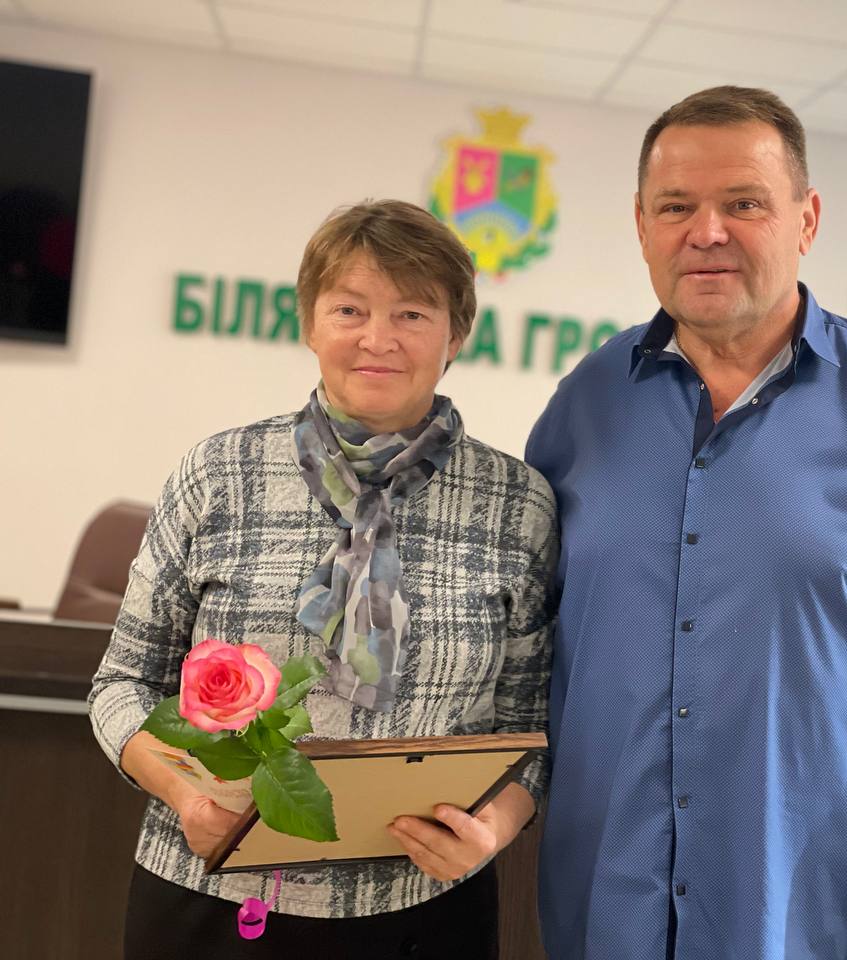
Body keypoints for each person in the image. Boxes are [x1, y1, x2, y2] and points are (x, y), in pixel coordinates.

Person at [526, 87, 847, 960]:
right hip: (598, 917)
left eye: (744, 203)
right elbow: (527, 644)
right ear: (641, 224)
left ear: (806, 218)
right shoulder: (584, 405)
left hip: (808, 923)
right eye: (676, 206)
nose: (706, 232)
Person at [89, 200, 556, 959]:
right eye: (349, 309)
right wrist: (183, 794)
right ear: (310, 322)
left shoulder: (518, 505)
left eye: (412, 313)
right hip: (213, 896)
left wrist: (491, 831)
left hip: (423, 906)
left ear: (456, 334)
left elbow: (529, 727)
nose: (378, 338)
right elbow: (121, 685)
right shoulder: (219, 474)